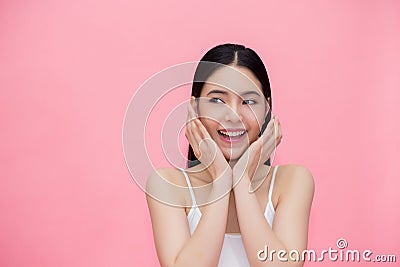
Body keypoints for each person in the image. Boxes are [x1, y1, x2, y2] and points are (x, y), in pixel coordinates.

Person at [146, 43, 314, 267]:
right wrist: (222, 179)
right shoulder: (167, 185)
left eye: (249, 101)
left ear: (266, 109)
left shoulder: (292, 180)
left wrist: (241, 181)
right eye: (217, 100)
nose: (233, 116)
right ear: (194, 108)